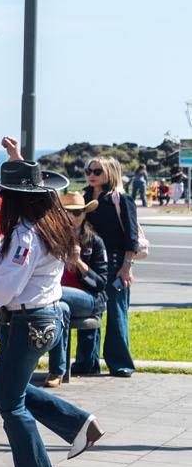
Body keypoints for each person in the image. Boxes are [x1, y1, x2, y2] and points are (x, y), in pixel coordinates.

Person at [0, 145, 106, 467]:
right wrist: (16, 159)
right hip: (44, 317)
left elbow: (8, 285)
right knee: (1, 386)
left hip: (26, 321)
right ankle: (77, 424)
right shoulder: (50, 225)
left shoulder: (24, 234)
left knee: (9, 403)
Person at [80, 155, 140, 378]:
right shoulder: (84, 197)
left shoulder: (120, 199)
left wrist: (127, 266)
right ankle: (86, 362)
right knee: (88, 311)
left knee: (116, 315)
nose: (91, 175)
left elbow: (131, 236)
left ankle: (120, 363)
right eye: (89, 171)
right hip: (89, 263)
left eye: (97, 171)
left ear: (110, 173)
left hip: (115, 264)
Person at [41, 193, 109, 386]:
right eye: (68, 212)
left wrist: (78, 262)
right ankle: (56, 371)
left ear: (85, 214)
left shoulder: (94, 241)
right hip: (58, 298)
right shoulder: (51, 239)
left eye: (78, 212)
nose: (73, 217)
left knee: (54, 295)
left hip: (89, 299)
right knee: (60, 307)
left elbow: (101, 283)